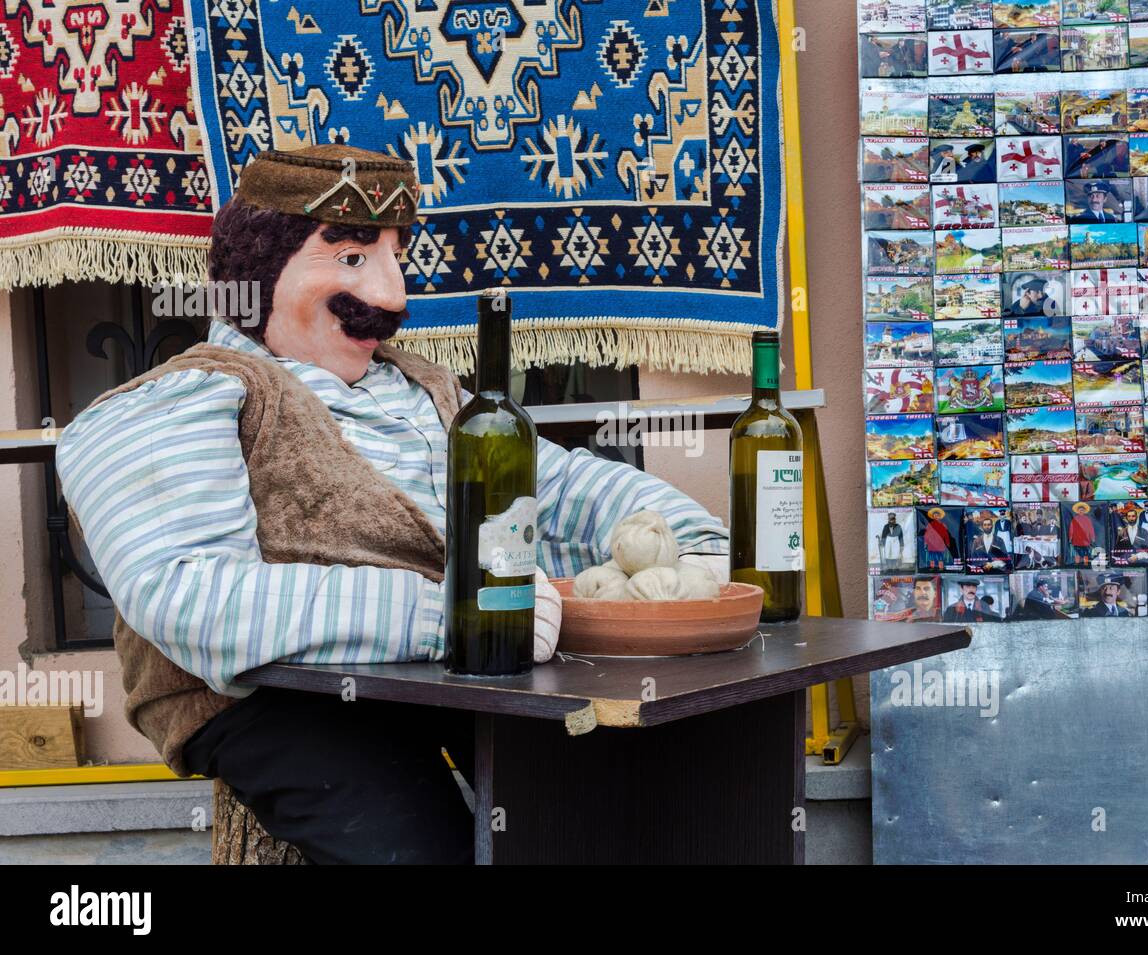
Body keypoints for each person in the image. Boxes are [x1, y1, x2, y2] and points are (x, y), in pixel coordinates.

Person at [55, 145, 729, 865]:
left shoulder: (426, 390)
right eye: (350, 257)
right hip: (278, 699)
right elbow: (191, 598)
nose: (391, 296)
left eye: (395, 257)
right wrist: (456, 619)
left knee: (605, 808)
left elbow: (558, 490)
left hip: (448, 680)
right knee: (417, 850)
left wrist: (684, 544)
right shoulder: (180, 398)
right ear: (256, 268)